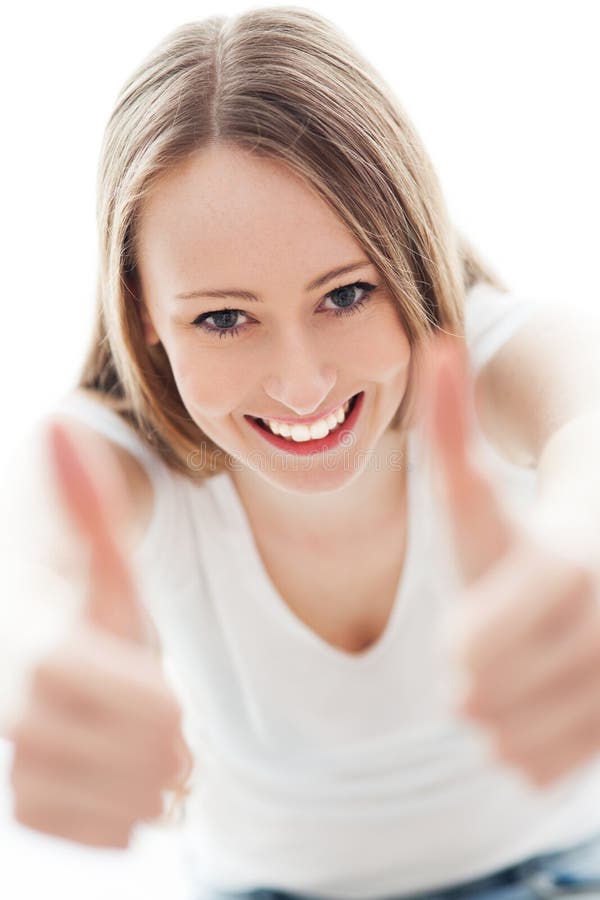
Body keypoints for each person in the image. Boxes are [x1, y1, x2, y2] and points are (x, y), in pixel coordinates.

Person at [3, 6, 600, 899]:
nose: (302, 386)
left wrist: (582, 548)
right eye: (223, 318)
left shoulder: (493, 364)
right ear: (142, 319)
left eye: (347, 295)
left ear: (407, 254)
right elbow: (25, 560)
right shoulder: (121, 457)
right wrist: (29, 665)